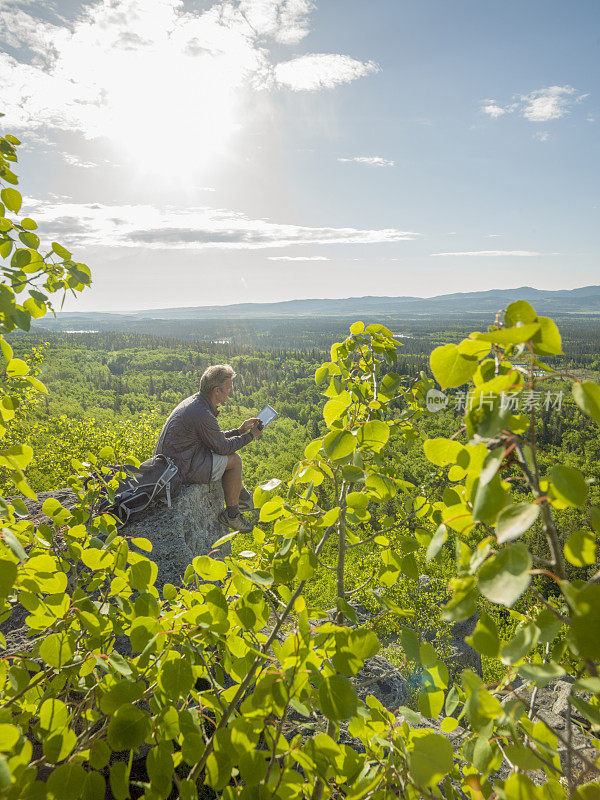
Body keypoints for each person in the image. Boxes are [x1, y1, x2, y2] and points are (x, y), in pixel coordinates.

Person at [153, 364, 262, 533]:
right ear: (216, 391)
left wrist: (239, 431)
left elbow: (213, 438)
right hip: (181, 468)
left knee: (228, 457)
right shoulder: (202, 412)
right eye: (228, 388)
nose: (230, 392)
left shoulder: (196, 403)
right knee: (234, 461)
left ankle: (242, 496)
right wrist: (250, 436)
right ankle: (232, 515)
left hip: (175, 462)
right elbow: (222, 447)